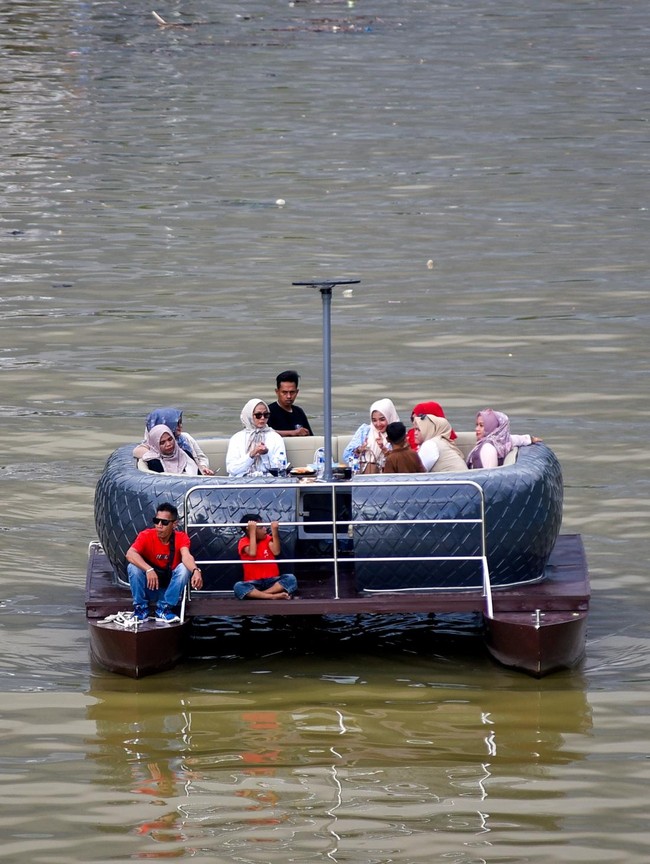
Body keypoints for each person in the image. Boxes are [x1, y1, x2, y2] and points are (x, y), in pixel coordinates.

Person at [126, 501, 203, 622]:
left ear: (174, 524)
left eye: (164, 522)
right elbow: (130, 554)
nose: (159, 525)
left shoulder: (181, 537)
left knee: (184, 569)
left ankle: (164, 608)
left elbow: (186, 556)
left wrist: (196, 570)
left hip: (168, 591)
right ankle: (140, 608)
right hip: (148, 588)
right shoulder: (146, 535)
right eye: (156, 521)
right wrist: (148, 569)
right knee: (133, 567)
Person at [133, 407, 214, 475]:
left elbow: (201, 457)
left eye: (180, 422)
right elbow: (138, 452)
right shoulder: (153, 446)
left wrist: (203, 468)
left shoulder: (186, 439)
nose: (180, 426)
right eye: (176, 424)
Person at [233, 514, 298, 600]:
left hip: (272, 581)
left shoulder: (267, 539)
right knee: (238, 587)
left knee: (291, 578)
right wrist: (252, 532)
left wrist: (274, 531)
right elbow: (252, 552)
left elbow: (276, 551)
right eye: (261, 527)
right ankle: (272, 596)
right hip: (253, 583)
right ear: (250, 531)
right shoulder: (243, 542)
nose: (265, 529)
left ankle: (261, 595)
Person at [226, 399, 287, 477]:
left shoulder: (275, 437)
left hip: (268, 481)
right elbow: (232, 469)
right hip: (241, 481)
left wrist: (266, 454)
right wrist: (251, 455)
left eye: (266, 415)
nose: (262, 418)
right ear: (249, 415)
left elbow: (281, 469)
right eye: (258, 415)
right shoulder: (237, 438)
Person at [466, 408, 542, 469]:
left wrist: (531, 439)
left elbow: (489, 477)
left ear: (492, 427)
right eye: (477, 425)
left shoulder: (488, 448)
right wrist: (530, 439)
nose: (477, 429)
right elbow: (517, 439)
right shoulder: (502, 442)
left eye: (481, 425)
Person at [342, 398, 400, 472]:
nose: (378, 424)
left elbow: (401, 461)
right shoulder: (365, 430)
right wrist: (359, 450)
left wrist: (384, 448)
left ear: (390, 416)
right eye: (374, 420)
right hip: (364, 475)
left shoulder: (398, 432)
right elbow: (346, 456)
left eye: (382, 419)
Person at [267, 370, 314, 438]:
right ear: (277, 392)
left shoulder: (299, 412)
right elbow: (264, 433)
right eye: (284, 392)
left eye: (292, 392)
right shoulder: (267, 412)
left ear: (297, 392)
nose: (289, 396)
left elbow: (311, 437)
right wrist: (293, 433)